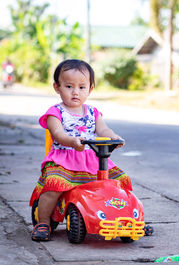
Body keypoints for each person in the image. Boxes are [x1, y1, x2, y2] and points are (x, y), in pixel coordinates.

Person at [29, 59, 132, 241]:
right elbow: (58, 134)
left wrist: (113, 137)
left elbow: (103, 130)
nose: (75, 92)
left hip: (92, 160)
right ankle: (43, 222)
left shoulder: (93, 112)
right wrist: (73, 141)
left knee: (120, 182)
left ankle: (126, 219)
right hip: (64, 159)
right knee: (54, 186)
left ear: (90, 89)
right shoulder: (55, 112)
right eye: (69, 86)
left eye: (82, 87)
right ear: (57, 87)